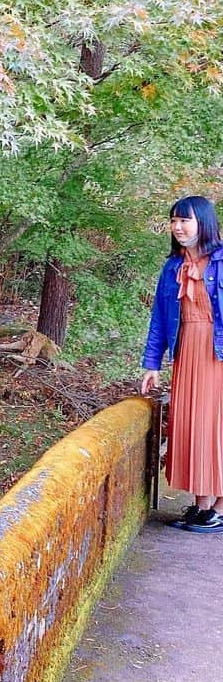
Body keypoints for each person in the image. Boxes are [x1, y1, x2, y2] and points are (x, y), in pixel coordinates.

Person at [141, 195, 223, 532]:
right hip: (187, 352)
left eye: (184, 220)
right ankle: (203, 504)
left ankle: (217, 508)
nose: (177, 227)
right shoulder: (172, 267)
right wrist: (152, 364)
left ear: (202, 222)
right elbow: (160, 319)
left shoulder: (221, 262)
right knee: (190, 428)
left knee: (214, 429)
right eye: (174, 220)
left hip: (217, 356)